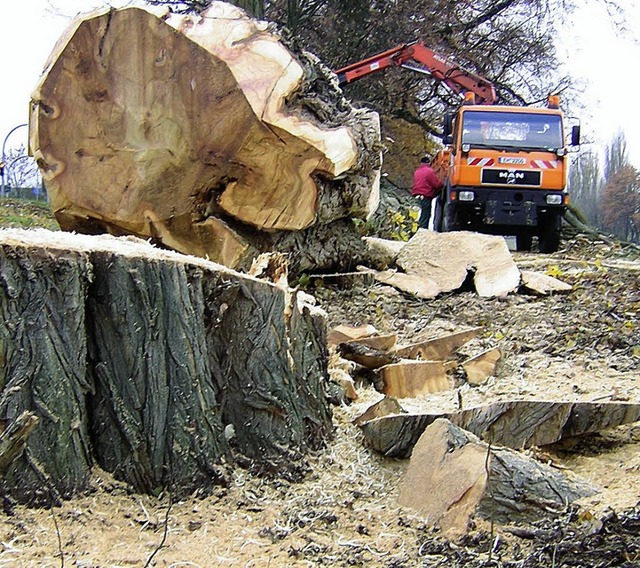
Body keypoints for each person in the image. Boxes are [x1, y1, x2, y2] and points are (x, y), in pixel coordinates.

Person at [412, 155, 444, 229]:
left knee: (418, 213)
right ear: (428, 162)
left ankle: (415, 229)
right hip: (425, 195)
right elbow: (436, 184)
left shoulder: (417, 171)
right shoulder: (429, 171)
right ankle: (422, 231)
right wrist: (443, 184)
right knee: (425, 215)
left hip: (416, 194)